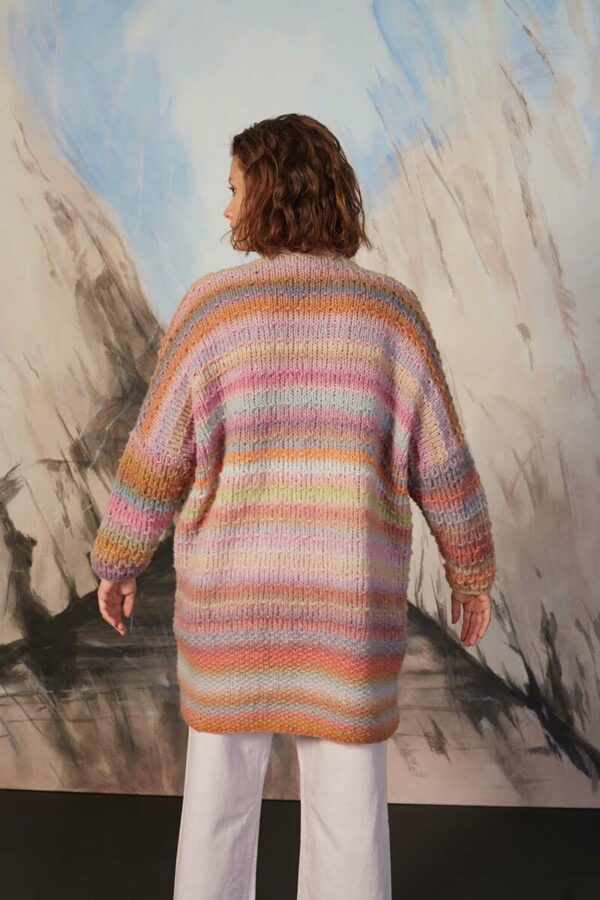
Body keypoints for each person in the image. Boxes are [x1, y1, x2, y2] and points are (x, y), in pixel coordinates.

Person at [89, 113, 496, 900]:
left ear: (270, 192)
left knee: (217, 806)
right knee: (349, 816)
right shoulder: (390, 315)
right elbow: (443, 464)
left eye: (234, 188)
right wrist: (470, 571)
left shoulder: (212, 311)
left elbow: (156, 457)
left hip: (232, 606)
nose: (225, 207)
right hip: (347, 610)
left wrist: (119, 560)